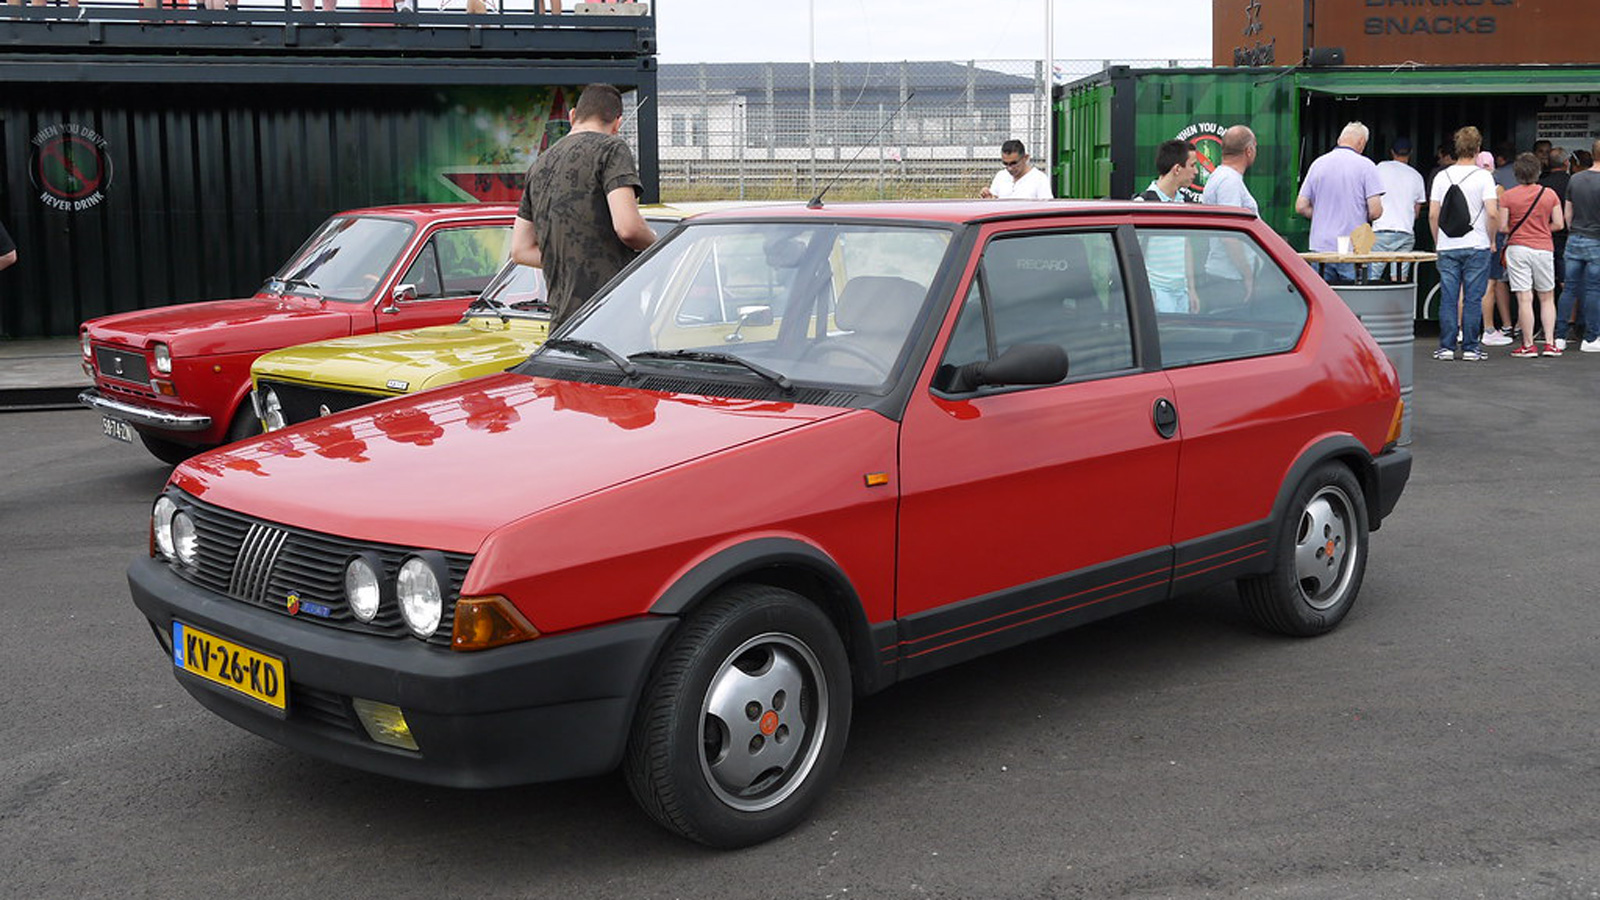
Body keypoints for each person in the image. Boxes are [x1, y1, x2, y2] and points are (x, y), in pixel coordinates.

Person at [511, 83, 655, 329]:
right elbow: (629, 229)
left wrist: (571, 260)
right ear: (617, 123)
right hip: (611, 320)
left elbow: (520, 250)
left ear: (573, 115)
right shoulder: (612, 149)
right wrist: (660, 247)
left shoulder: (540, 164)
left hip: (562, 325)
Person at [1428, 125, 1500, 361]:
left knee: (1449, 296)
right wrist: (1491, 239)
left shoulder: (1441, 176)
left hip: (1447, 245)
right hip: (1476, 244)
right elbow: (1491, 212)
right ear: (1478, 149)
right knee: (1472, 297)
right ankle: (1470, 347)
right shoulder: (1484, 177)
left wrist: (1438, 240)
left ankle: (1446, 347)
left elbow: (1432, 214)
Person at [1296, 121, 1383, 283]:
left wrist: (1322, 214)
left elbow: (1301, 206)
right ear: (1361, 142)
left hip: (1320, 250)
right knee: (1356, 302)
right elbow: (1375, 211)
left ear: (1339, 140)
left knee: (1323, 301)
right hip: (1354, 249)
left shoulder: (1318, 164)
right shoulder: (1366, 166)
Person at [1499, 152, 1565, 358]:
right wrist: (1542, 229)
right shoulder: (1549, 194)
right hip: (1544, 248)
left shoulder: (1507, 196)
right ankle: (1550, 343)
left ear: (1517, 173)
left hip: (1518, 248)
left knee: (1524, 298)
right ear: (1538, 172)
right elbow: (1559, 224)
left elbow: (1502, 226)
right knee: (1547, 297)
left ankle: (1528, 345)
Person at [1133, 139, 1198, 313]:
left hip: (1181, 292)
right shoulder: (1143, 204)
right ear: (1177, 169)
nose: (1196, 172)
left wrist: (1191, 288)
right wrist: (1146, 293)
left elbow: (1186, 246)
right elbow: (1133, 253)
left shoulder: (1185, 203)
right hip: (1157, 293)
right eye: (1192, 165)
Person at [1199, 125, 1258, 306]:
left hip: (1225, 276)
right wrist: (1247, 275)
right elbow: (1230, 234)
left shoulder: (1222, 177)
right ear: (1249, 150)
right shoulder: (1229, 181)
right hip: (1229, 278)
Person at [1555, 138, 1600, 352]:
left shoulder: (1575, 178)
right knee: (1593, 289)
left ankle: (1560, 337)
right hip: (1597, 240)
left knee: (1569, 288)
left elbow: (1567, 214)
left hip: (1574, 238)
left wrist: (1574, 230)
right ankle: (1591, 338)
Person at [1369, 136, 1425, 282]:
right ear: (1410, 153)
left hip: (1380, 231)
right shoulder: (1417, 176)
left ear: (1392, 152)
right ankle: (1397, 305)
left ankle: (1369, 305)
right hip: (1404, 232)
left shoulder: (1380, 168)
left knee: (1372, 277)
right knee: (1399, 278)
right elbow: (1417, 213)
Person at [1476, 149, 1514, 345]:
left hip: (1470, 238)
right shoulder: (1497, 189)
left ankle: (1462, 329)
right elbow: (1498, 218)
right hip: (1491, 239)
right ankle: (1488, 329)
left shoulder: (1470, 184)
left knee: (1466, 286)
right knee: (1490, 284)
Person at [980, 139, 1052, 200]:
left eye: (1013, 163)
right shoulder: (1001, 176)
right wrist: (989, 198)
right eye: (1005, 164)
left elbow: (1047, 208)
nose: (1009, 168)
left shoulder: (1039, 179)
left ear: (1025, 158)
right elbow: (994, 201)